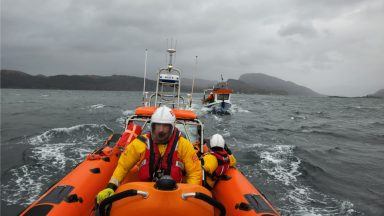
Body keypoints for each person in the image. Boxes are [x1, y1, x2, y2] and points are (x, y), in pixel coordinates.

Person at [97, 106, 202, 204]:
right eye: (157, 126)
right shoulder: (140, 143)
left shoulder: (184, 145)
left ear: (172, 128)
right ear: (152, 126)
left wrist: (189, 197)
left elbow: (194, 173)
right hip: (145, 195)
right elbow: (123, 166)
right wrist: (111, 186)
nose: (160, 131)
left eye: (165, 126)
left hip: (175, 195)